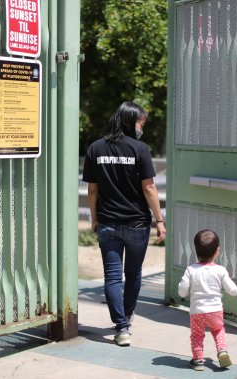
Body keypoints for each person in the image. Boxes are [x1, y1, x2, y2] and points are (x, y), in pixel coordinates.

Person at [82, 101, 166, 347]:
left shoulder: (95, 148)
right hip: (137, 224)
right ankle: (126, 317)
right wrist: (159, 220)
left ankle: (121, 327)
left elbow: (92, 189)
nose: (142, 128)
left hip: (108, 223)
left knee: (112, 278)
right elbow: (149, 187)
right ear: (131, 121)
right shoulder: (140, 149)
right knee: (133, 273)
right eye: (141, 122)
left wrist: (95, 217)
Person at [178, 229, 237, 370]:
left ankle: (198, 360)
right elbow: (233, 291)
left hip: (197, 312)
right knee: (218, 331)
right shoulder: (220, 270)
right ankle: (222, 350)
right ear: (217, 251)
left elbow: (182, 292)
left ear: (195, 250)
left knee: (197, 335)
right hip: (215, 310)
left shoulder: (191, 269)